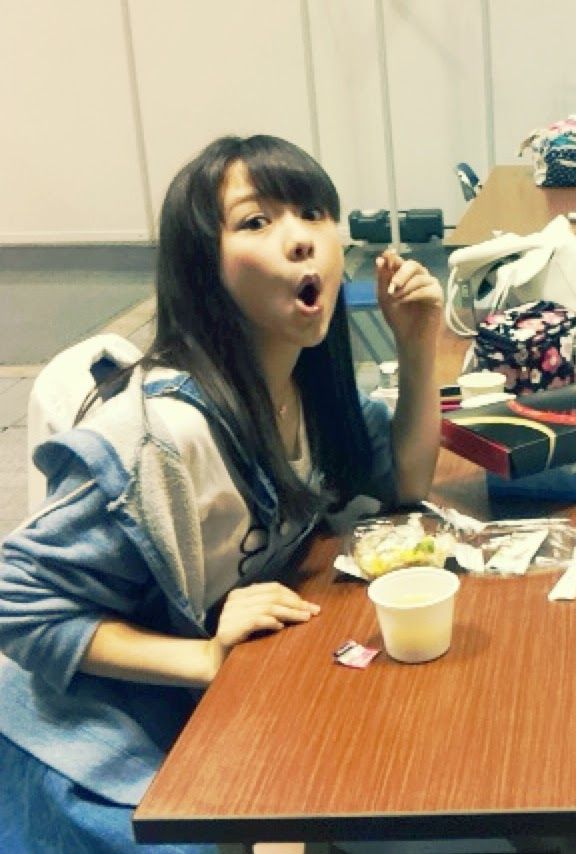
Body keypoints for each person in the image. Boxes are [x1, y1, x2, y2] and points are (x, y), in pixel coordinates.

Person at [0, 134, 444, 853]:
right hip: (99, 750)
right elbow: (16, 600)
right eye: (256, 221)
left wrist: (418, 344)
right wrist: (203, 655)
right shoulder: (161, 437)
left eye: (313, 213)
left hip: (222, 705)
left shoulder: (304, 391)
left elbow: (408, 480)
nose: (300, 239)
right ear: (203, 266)